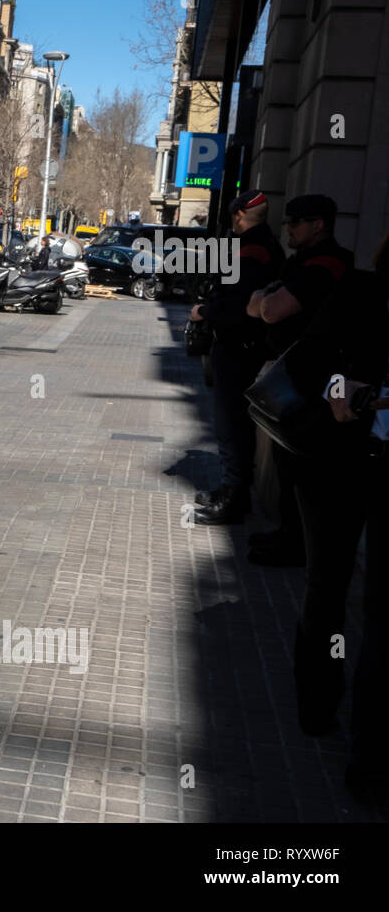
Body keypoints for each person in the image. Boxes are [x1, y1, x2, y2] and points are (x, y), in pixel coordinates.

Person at [247, 194, 359, 736]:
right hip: (326, 425)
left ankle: (323, 707)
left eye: (295, 222)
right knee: (325, 580)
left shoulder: (333, 269)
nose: (288, 228)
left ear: (319, 224)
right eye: (285, 221)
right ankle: (318, 707)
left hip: (336, 434)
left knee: (328, 582)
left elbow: (271, 307)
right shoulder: (332, 274)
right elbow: (264, 305)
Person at [324, 233, 389, 800]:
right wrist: (343, 389)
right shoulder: (371, 294)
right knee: (341, 592)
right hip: (366, 460)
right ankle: (363, 759)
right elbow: (331, 359)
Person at [189, 190, 283, 525]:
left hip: (238, 348)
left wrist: (204, 311)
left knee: (232, 424)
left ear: (239, 215)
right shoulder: (265, 246)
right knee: (233, 424)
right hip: (245, 347)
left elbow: (236, 306)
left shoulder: (251, 250)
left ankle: (235, 496)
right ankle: (231, 490)